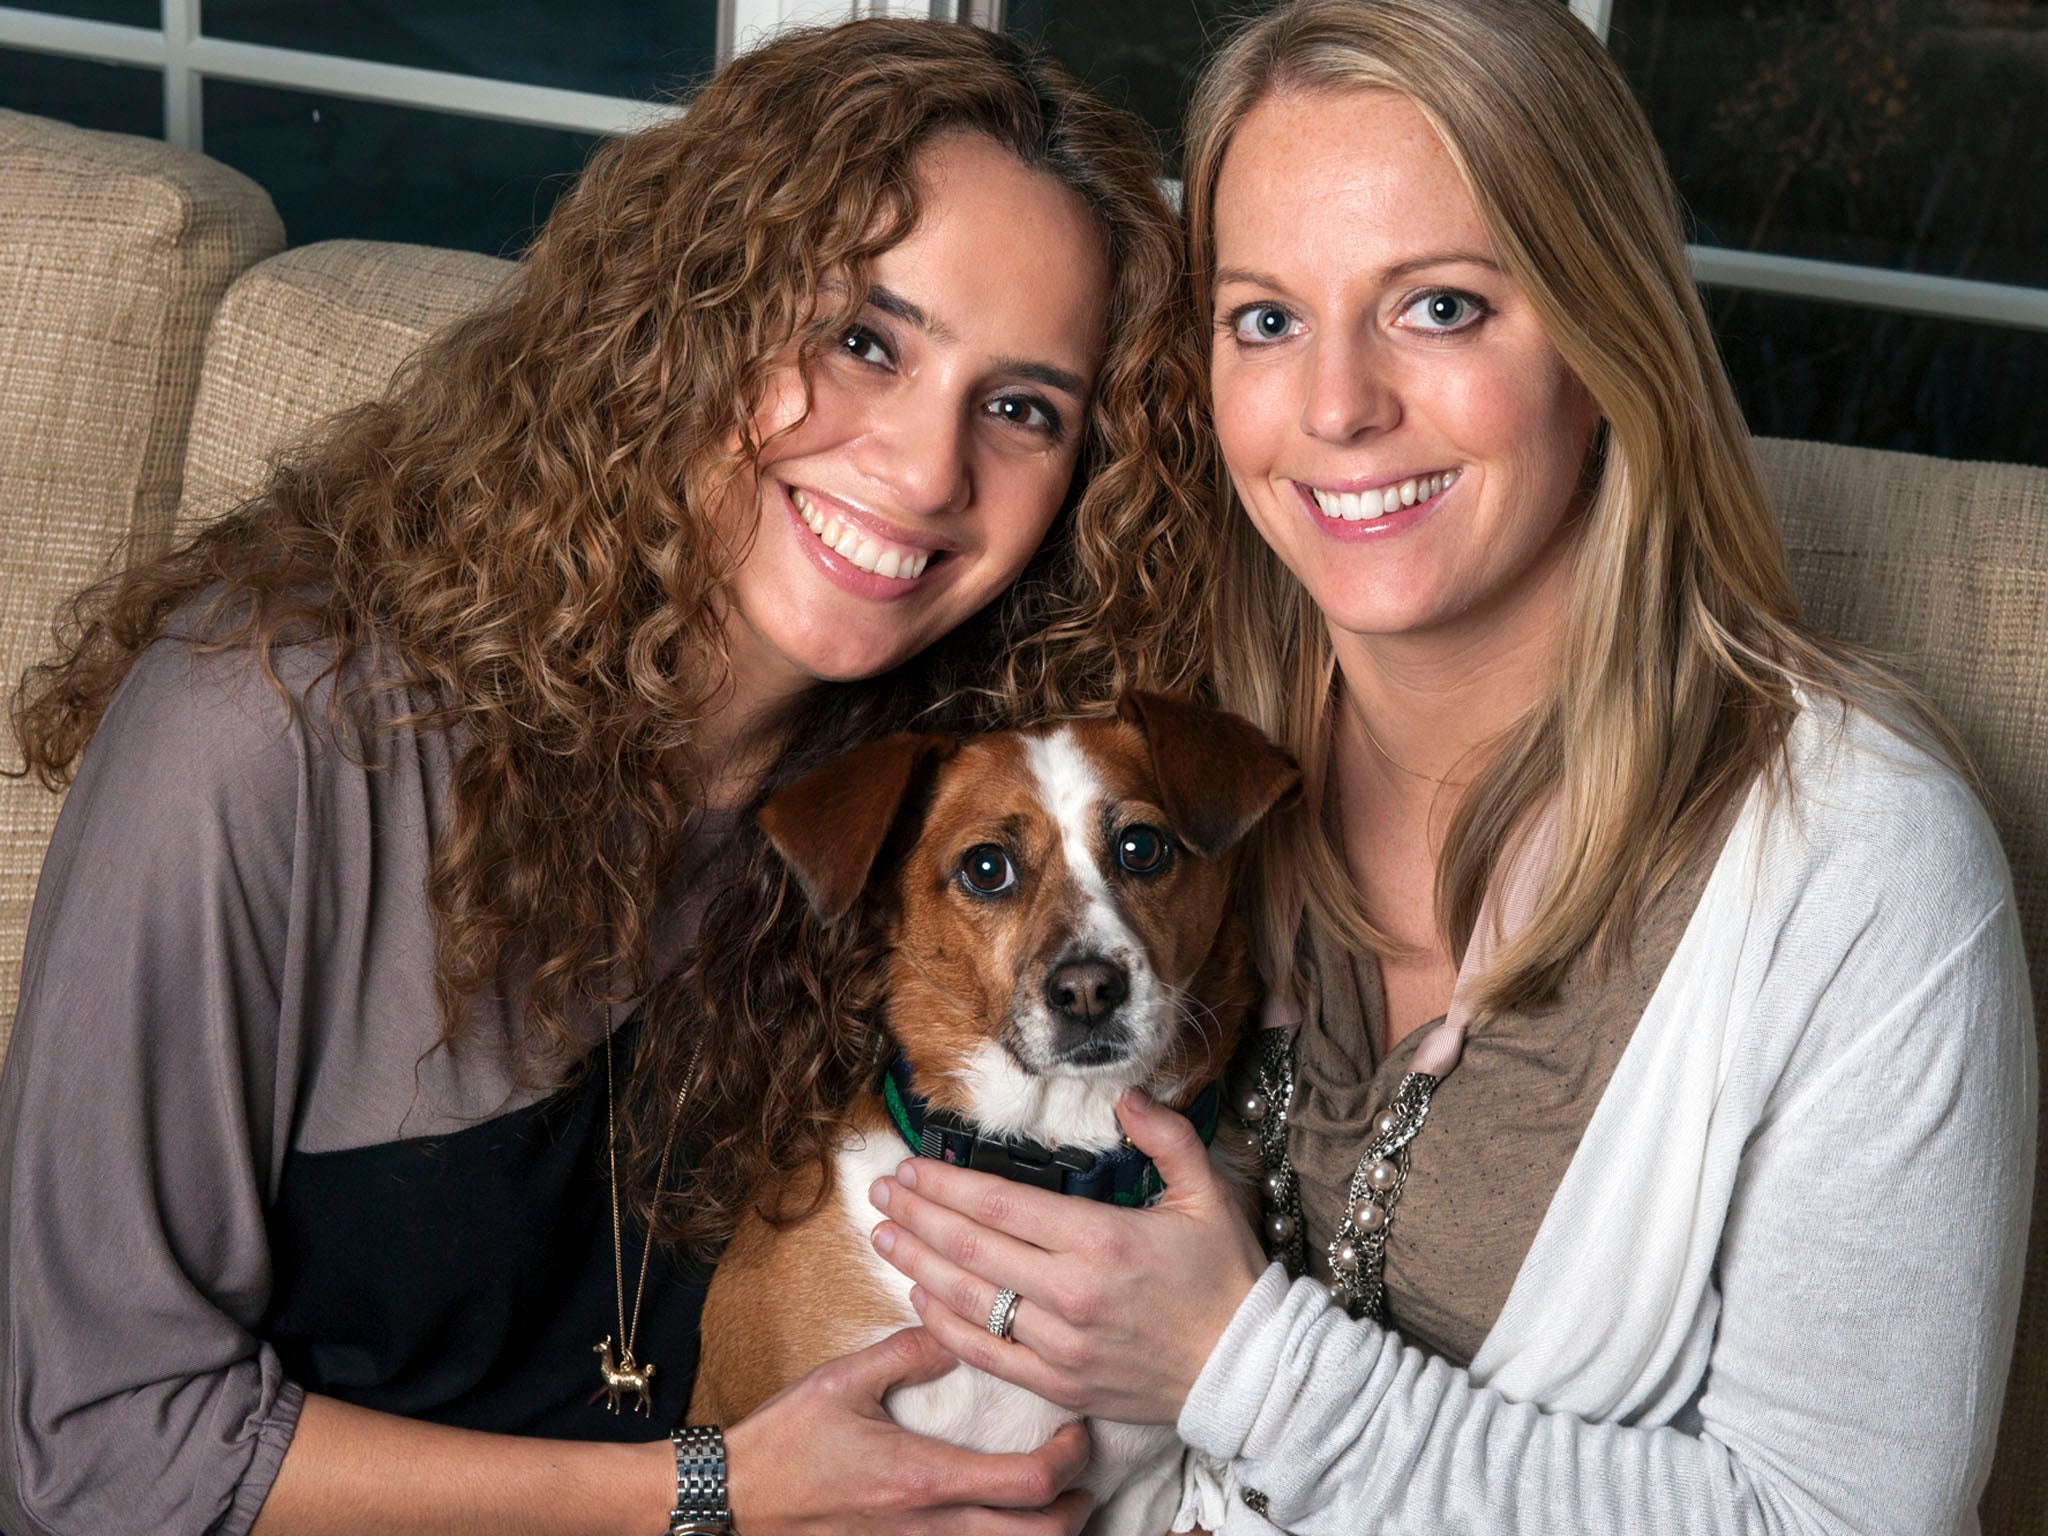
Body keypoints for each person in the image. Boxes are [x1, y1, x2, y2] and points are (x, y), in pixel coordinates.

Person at [0, 19, 1216, 1536]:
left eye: (1024, 407)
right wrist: (709, 1493)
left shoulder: (932, 811)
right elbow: (91, 1450)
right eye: (866, 339)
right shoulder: (265, 732)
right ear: (696, 308)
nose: (923, 469)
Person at [861, 2, 2037, 1532]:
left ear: (1609, 337)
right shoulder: (1183, 775)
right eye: (1267, 320)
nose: (1339, 406)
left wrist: (1240, 1365)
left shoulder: (1859, 869)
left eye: (1440, 308)